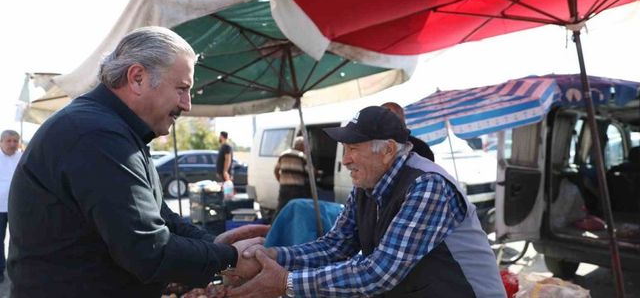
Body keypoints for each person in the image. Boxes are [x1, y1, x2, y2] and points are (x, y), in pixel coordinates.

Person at [7, 26, 267, 297]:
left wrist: (214, 243)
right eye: (182, 89)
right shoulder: (95, 134)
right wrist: (229, 259)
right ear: (138, 78)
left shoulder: (113, 130)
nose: (187, 104)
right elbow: (149, 250)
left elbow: (161, 218)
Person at [228, 106, 505, 298]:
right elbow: (335, 246)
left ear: (387, 151)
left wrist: (286, 282)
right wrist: (273, 256)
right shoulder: (367, 186)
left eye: (353, 149)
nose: (345, 159)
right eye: (345, 149)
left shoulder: (428, 185)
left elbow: (379, 272)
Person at [0, 130, 21, 283]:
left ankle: (17, 270)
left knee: (19, 239)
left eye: (15, 141)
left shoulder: (22, 157)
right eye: (9, 141)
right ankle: (0, 270)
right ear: (1, 142)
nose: (12, 144)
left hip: (17, 206)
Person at [274, 136, 311, 214]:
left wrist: (281, 181)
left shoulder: (283, 154)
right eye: (305, 146)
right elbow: (310, 172)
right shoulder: (302, 156)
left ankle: (275, 225)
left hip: (284, 187)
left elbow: (276, 170)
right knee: (297, 209)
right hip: (297, 189)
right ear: (301, 146)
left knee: (281, 208)